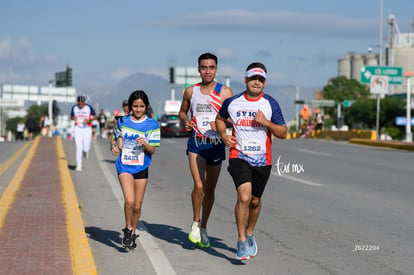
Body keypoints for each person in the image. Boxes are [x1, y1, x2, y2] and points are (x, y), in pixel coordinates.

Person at [215, 62, 287, 260]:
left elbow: (283, 132)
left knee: (255, 201)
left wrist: (266, 123)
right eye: (253, 78)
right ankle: (240, 240)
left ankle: (249, 233)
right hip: (239, 155)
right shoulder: (233, 102)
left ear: (265, 82)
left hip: (263, 159)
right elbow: (220, 119)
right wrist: (224, 136)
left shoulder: (270, 104)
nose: (257, 82)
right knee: (244, 197)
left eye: (261, 79)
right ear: (245, 80)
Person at [179, 52, 233, 248]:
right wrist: (186, 122)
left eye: (211, 67)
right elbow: (182, 112)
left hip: (216, 144)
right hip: (196, 142)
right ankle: (195, 222)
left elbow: (232, 118)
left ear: (216, 69)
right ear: (198, 69)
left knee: (210, 190)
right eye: (204, 68)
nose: (207, 71)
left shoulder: (225, 92)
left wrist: (220, 122)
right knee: (199, 186)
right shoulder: (190, 92)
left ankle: (204, 228)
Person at [110, 90, 160, 250]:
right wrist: (114, 146)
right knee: (129, 201)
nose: (138, 109)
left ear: (146, 106)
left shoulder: (152, 124)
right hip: (124, 165)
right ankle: (127, 228)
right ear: (130, 106)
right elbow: (115, 137)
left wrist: (144, 143)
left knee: (137, 206)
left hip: (142, 167)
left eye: (141, 106)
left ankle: (133, 229)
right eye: (135, 106)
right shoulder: (122, 121)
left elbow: (152, 150)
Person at [70, 95, 97, 171]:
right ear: (77, 102)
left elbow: (95, 116)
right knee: (78, 147)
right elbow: (71, 116)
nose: (80, 105)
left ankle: (86, 151)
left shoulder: (88, 107)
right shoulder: (74, 108)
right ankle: (79, 164)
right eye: (79, 104)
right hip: (78, 128)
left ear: (84, 102)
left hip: (87, 128)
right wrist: (73, 118)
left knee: (85, 147)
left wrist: (89, 120)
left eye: (82, 104)